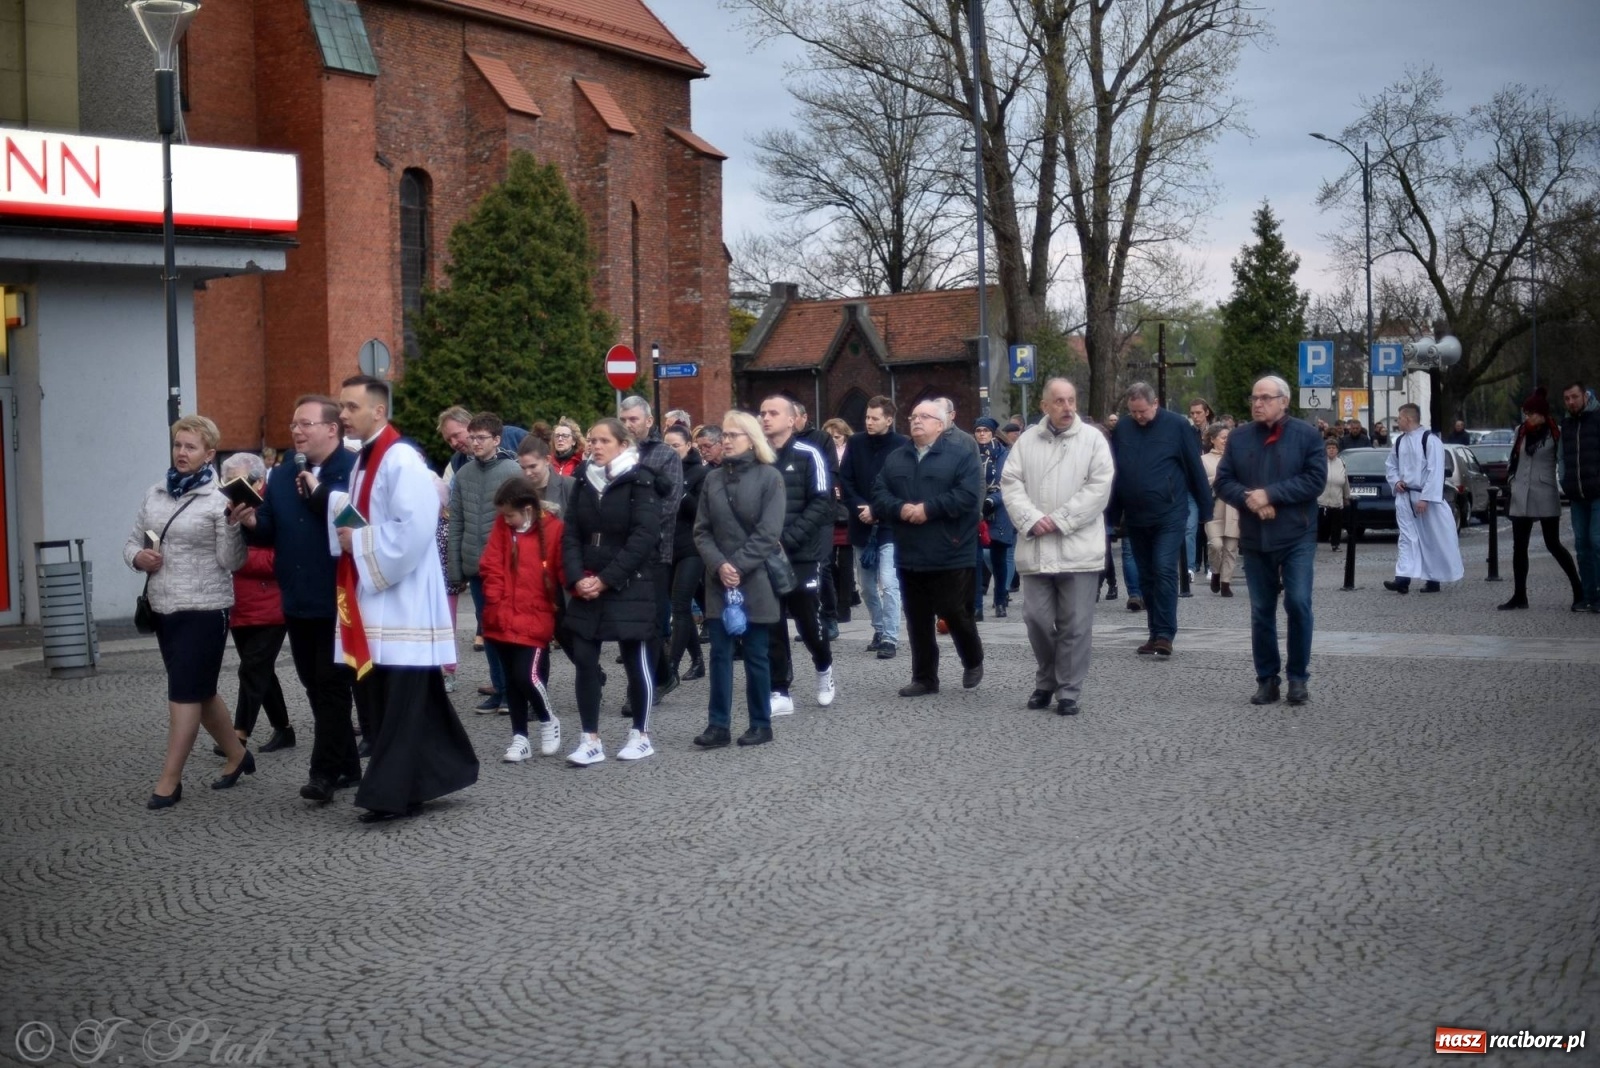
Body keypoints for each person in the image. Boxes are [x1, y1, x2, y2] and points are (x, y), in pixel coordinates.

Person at [333, 376, 478, 822]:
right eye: (340, 407)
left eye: (351, 407)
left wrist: (358, 542)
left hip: (405, 602)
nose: (343, 415)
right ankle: (431, 776)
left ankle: (388, 793)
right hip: (379, 599)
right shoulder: (364, 460)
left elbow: (414, 530)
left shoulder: (401, 459)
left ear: (379, 411)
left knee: (401, 703)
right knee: (407, 702)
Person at [239, 395, 362, 804]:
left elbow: (361, 528)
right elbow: (269, 529)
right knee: (312, 683)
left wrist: (323, 495)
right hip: (296, 597)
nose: (297, 431)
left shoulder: (353, 472)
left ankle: (323, 774)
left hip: (340, 598)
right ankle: (348, 763)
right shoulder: (279, 476)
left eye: (306, 424)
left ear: (333, 429)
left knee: (330, 685)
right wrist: (251, 520)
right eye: (294, 424)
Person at [124, 414, 250, 809]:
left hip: (205, 608)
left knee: (183, 692)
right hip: (164, 606)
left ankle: (169, 779)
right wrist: (138, 557)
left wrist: (232, 525)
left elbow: (232, 562)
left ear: (209, 454)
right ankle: (238, 754)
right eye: (178, 445)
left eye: (190, 447)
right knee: (201, 691)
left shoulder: (220, 498)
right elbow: (134, 541)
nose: (182, 453)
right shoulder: (156, 493)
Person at [1000, 379, 1114, 715]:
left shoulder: (1093, 440)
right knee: (1036, 618)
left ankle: (1068, 690)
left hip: (1078, 548)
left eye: (1072, 400)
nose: (1067, 407)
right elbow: (1011, 483)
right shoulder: (1026, 442)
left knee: (1075, 625)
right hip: (1036, 546)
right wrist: (1033, 519)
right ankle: (1046, 678)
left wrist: (1061, 519)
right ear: (1044, 405)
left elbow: (1099, 488)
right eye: (1060, 401)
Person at [1214, 375, 1328, 706]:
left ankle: (1297, 677)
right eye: (1254, 398)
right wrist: (1250, 499)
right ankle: (1267, 678)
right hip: (1255, 535)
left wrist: (1270, 495)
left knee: (1297, 603)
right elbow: (1224, 481)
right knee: (1261, 610)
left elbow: (1314, 480)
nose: (1258, 403)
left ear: (1284, 401)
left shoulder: (1306, 435)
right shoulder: (1239, 437)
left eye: (1265, 398)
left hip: (1296, 534)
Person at [560, 418, 660, 765]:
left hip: (627, 583)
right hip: (587, 582)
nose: (595, 446)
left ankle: (641, 733)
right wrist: (577, 578)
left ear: (622, 444)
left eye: (603, 440)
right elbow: (571, 533)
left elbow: (644, 539)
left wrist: (606, 579)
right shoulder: (584, 481)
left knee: (635, 659)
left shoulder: (641, 480)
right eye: (591, 440)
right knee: (584, 659)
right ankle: (590, 738)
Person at [872, 398, 983, 695]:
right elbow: (879, 492)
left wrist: (928, 509)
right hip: (909, 550)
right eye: (913, 416)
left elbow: (969, 496)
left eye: (925, 416)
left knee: (953, 610)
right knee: (917, 617)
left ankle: (972, 658)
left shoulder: (961, 455)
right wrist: (901, 508)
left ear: (940, 424)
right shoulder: (897, 457)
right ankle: (924, 677)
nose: (917, 421)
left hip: (950, 549)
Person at [692, 410, 786, 747]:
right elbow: (701, 531)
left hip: (756, 578)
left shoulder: (770, 477)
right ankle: (718, 725)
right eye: (725, 436)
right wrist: (720, 565)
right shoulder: (712, 480)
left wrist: (738, 566)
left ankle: (761, 723)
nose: (726, 441)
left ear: (751, 439)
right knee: (719, 654)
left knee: (757, 654)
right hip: (719, 581)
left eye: (733, 435)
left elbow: (768, 532)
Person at [1107, 382, 1211, 657]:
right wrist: (1112, 514)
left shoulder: (1177, 426)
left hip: (1170, 511)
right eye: (1133, 412)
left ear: (1155, 404)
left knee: (1164, 568)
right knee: (1146, 575)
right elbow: (1116, 472)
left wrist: (1206, 509)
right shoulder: (1124, 429)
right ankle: (1154, 632)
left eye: (1142, 411)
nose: (1138, 416)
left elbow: (1194, 468)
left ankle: (1165, 633)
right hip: (1137, 515)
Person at [759, 395, 836, 713]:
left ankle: (823, 667)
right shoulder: (757, 457)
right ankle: (780, 689)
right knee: (772, 620)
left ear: (791, 420)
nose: (765, 418)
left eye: (773, 413)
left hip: (802, 553)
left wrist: (788, 540)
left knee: (807, 620)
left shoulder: (809, 454)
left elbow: (822, 502)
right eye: (762, 413)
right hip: (764, 553)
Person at [479, 476, 565, 761]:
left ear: (527, 509)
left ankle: (547, 718)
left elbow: (561, 568)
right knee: (511, 681)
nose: (506, 520)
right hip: (501, 615)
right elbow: (491, 562)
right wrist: (496, 597)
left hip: (534, 616)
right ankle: (520, 737)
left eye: (510, 515)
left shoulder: (553, 529)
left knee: (526, 675)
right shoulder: (503, 527)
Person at [448, 412, 521, 714]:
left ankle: (515, 691)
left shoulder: (513, 471)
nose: (474, 443)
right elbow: (457, 524)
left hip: (507, 567)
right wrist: (455, 569)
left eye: (481, 438)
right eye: (472, 437)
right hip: (476, 566)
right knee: (489, 629)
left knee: (510, 629)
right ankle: (499, 688)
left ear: (496, 440)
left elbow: (523, 522)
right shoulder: (463, 475)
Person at [220, 452, 293, 754]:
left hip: (271, 604)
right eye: (228, 483)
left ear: (259, 481)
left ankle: (238, 736)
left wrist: (238, 560)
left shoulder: (274, 506)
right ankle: (283, 729)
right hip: (239, 603)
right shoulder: (228, 507)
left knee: (251, 669)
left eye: (240, 482)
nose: (233, 489)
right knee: (261, 670)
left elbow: (282, 559)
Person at [618, 397, 684, 706]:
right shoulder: (618, 455)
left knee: (653, 620)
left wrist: (637, 533)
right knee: (629, 621)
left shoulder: (665, 455)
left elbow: (668, 506)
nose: (628, 425)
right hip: (622, 552)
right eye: (624, 419)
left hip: (656, 551)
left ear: (648, 421)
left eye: (633, 419)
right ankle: (662, 675)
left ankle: (639, 690)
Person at [1500, 389, 1583, 610]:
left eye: (1532, 413)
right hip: (1520, 493)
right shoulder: (1521, 431)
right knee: (1519, 547)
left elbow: (1564, 461)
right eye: (1526, 413)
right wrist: (1511, 480)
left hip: (1544, 492)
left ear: (1543, 413)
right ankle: (1520, 596)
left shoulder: (1556, 433)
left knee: (1553, 544)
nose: (1528, 417)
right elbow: (1513, 458)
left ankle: (1578, 590)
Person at [838, 396, 907, 660]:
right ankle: (878, 628)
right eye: (867, 417)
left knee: (889, 583)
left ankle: (890, 636)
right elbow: (846, 480)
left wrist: (877, 510)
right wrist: (861, 508)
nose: (868, 422)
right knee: (866, 586)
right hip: (861, 523)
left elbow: (902, 484)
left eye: (874, 418)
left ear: (888, 420)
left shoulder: (901, 445)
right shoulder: (855, 443)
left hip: (890, 524)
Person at [1382, 403, 1462, 594]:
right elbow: (1391, 465)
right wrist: (1396, 482)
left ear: (1408, 419)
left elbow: (1435, 471)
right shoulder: (1399, 442)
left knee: (1431, 538)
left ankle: (1433, 579)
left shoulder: (1430, 440)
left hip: (1424, 497)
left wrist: (1426, 498)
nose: (1397, 421)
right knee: (1406, 537)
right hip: (1405, 495)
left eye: (1399, 417)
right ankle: (1402, 578)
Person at [663, 424, 707, 686]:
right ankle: (698, 659)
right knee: (678, 606)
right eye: (666, 446)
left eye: (675, 446)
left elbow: (702, 512)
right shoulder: (661, 471)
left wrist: (680, 492)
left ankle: (671, 667)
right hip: (668, 546)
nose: (670, 451)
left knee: (680, 605)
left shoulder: (700, 473)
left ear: (689, 446)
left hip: (692, 547)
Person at [1560, 381, 1600, 612]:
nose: (1571, 402)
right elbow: (1562, 457)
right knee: (1581, 545)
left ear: (1585, 396)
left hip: (1597, 492)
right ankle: (1588, 593)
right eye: (1566, 398)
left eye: (1574, 397)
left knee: (1596, 542)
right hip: (1577, 493)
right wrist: (1564, 480)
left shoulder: (1596, 419)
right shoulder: (1567, 424)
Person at [972, 416, 1016, 619]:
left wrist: (992, 500)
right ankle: (977, 606)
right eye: (978, 430)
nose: (982, 434)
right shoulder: (970, 453)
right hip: (975, 509)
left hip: (998, 510)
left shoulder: (1002, 454)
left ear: (992, 433)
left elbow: (1004, 481)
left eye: (986, 430)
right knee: (976, 559)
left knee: (998, 559)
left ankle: (1000, 600)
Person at [1200, 424, 1241, 595]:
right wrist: (1218, 478)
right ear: (1213, 439)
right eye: (1223, 437)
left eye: (1228, 437)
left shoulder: (1237, 458)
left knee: (1231, 549)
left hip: (1233, 509)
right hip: (1214, 510)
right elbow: (1200, 484)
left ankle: (1226, 583)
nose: (1226, 441)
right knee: (1216, 545)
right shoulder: (1203, 460)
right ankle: (1215, 571)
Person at [437, 405, 526, 476]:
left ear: (469, 425)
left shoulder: (513, 436)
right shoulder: (456, 463)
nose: (454, 443)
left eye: (456, 435)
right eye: (449, 440)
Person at [515, 434, 575, 519]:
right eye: (523, 468)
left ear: (547, 460)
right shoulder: (516, 491)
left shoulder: (569, 485)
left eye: (533, 466)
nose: (528, 473)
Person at [1317, 438, 1351, 552]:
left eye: (1334, 448)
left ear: (1337, 450)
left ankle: (1335, 544)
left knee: (1336, 525)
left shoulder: (1342, 463)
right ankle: (1314, 544)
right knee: (1319, 524)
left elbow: (1345, 481)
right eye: (1329, 448)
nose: (1331, 450)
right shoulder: (1320, 462)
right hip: (1321, 500)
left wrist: (1346, 496)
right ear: (1325, 450)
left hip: (1337, 499)